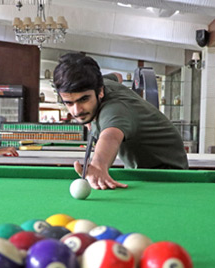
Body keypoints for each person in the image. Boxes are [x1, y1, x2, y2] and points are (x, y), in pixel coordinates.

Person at [52, 53, 188, 190]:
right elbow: (117, 76)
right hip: (141, 171)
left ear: (100, 92)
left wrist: (99, 165)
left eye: (84, 99)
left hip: (167, 175)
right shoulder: (100, 82)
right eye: (69, 103)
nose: (76, 111)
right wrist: (89, 119)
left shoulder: (115, 109)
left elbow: (110, 136)